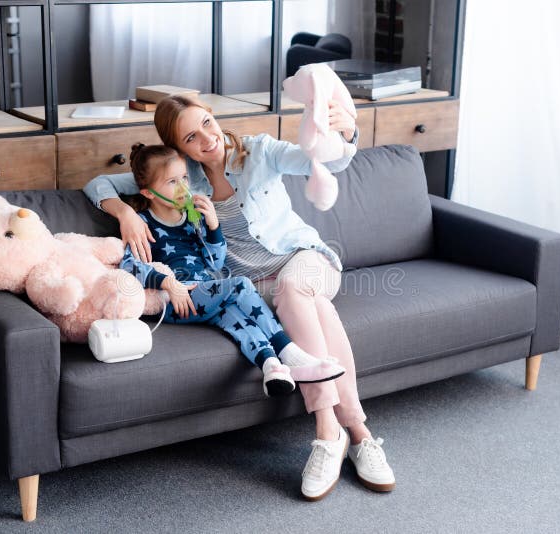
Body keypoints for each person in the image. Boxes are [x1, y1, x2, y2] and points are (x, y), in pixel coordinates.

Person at [84, 96, 395, 500]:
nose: (207, 138)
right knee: (314, 308)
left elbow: (322, 162)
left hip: (303, 260)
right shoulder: (183, 179)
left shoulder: (260, 151)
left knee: (294, 289)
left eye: (206, 123)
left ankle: (327, 432)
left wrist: (347, 133)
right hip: (256, 284)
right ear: (179, 148)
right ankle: (360, 434)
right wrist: (125, 213)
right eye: (190, 137)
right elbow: (99, 184)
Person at [119, 142, 346, 397]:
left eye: (184, 178)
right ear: (149, 193)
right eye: (172, 182)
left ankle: (272, 368)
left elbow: (215, 263)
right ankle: (288, 351)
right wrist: (168, 283)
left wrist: (213, 226)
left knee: (237, 318)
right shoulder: (141, 224)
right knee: (240, 286)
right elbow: (128, 266)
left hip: (207, 293)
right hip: (177, 299)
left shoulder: (192, 218)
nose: (183, 187)